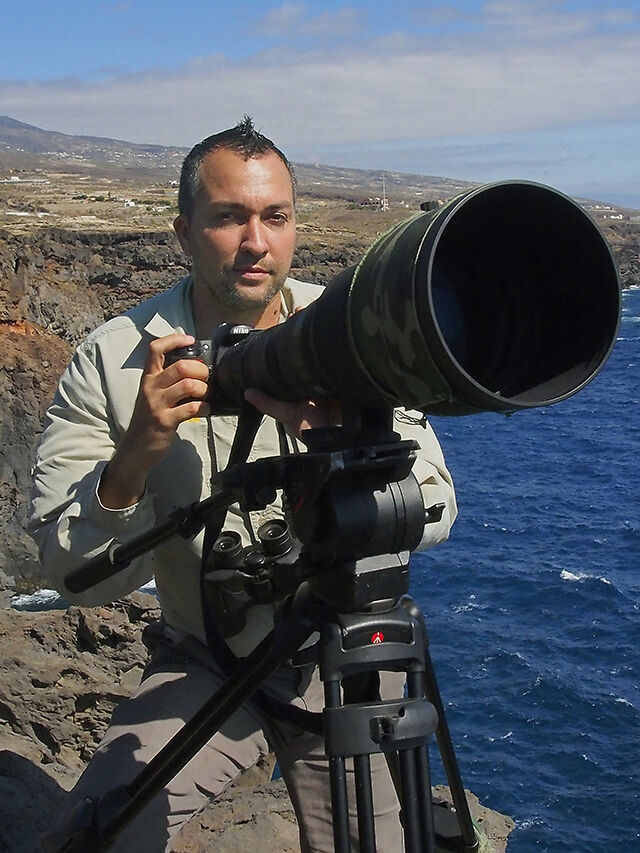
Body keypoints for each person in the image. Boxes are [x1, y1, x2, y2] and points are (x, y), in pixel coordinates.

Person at [29, 117, 457, 852]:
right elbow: (73, 578)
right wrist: (134, 457)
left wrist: (348, 447)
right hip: (206, 656)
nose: (255, 241)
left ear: (294, 227)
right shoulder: (113, 359)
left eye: (275, 217)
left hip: (341, 659)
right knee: (92, 837)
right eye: (228, 217)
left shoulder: (349, 332)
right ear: (184, 232)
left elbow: (437, 504)